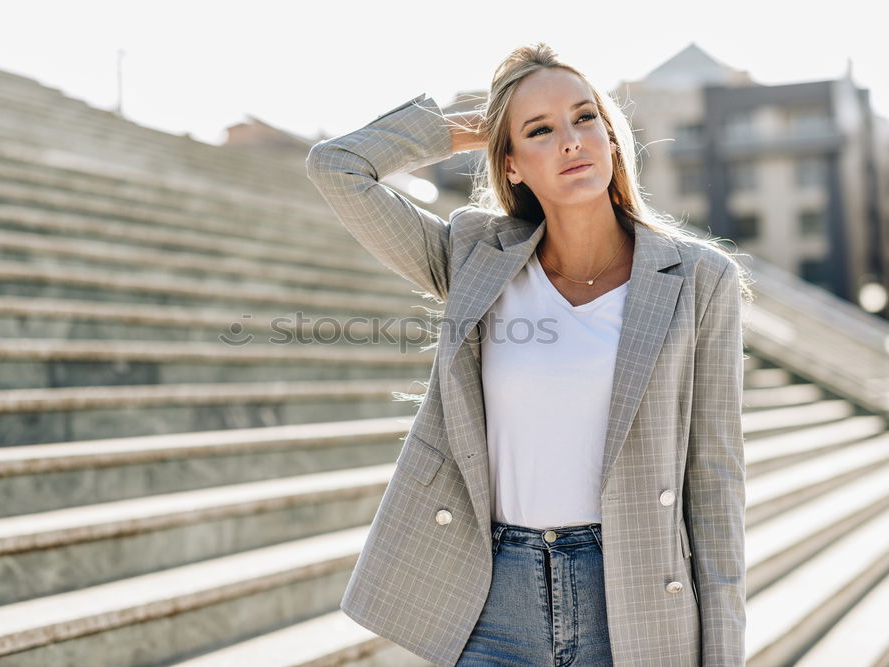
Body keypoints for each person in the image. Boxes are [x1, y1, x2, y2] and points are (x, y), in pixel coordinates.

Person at [306, 41, 752, 667]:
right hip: (494, 600)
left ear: (612, 137)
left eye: (584, 117)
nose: (571, 140)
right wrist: (465, 130)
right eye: (540, 130)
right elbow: (337, 167)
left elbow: (714, 480)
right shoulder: (473, 259)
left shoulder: (702, 280)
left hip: (634, 599)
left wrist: (724, 653)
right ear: (509, 163)